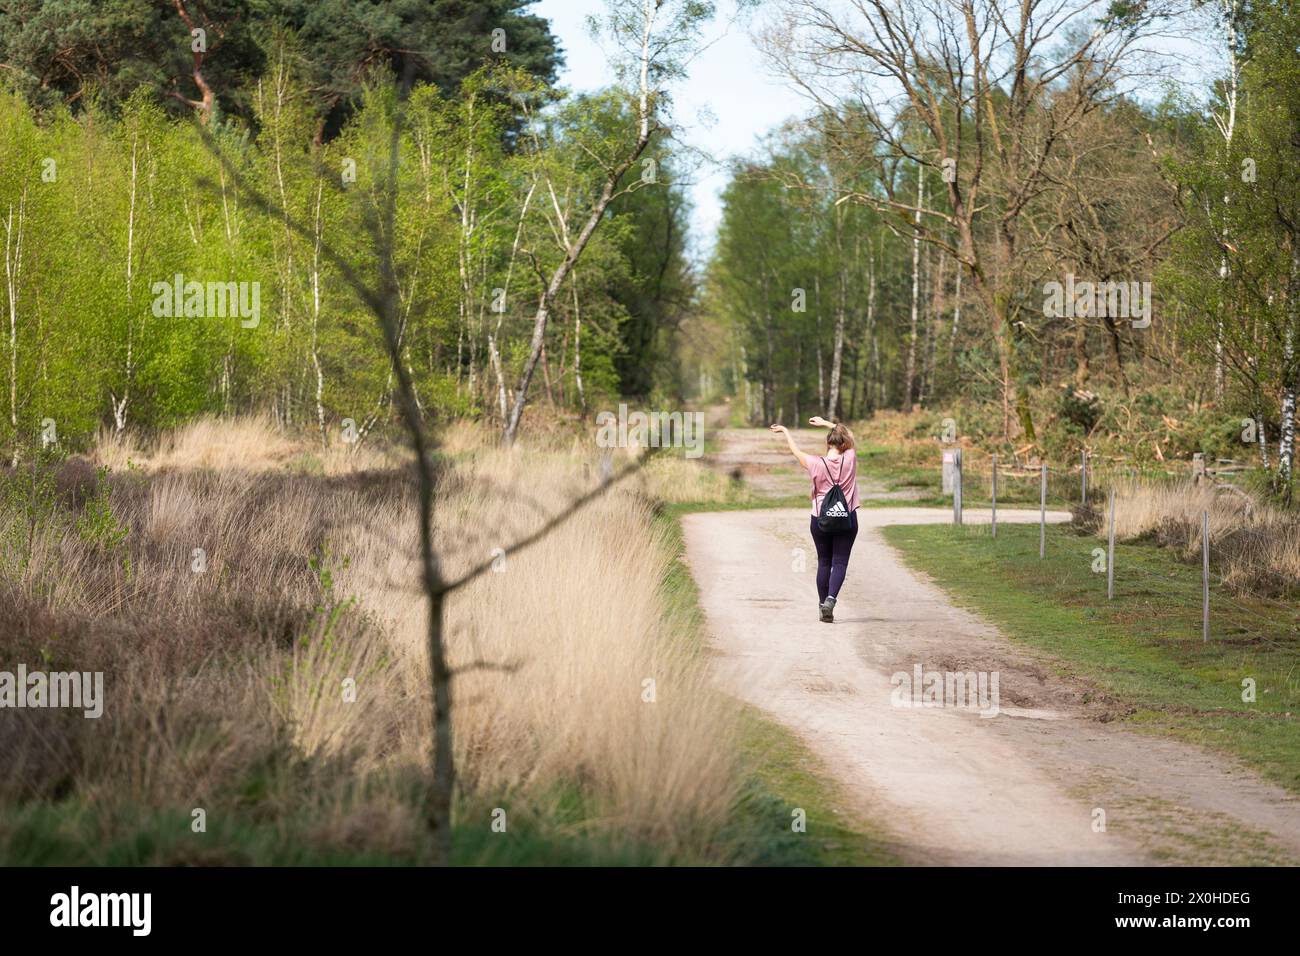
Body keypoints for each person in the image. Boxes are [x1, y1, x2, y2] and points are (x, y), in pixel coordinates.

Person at [769, 416, 860, 622]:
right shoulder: (851, 457)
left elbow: (796, 451)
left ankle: (822, 607)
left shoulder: (815, 463)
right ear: (844, 443)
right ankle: (831, 599)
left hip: (820, 518)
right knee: (840, 561)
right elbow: (849, 436)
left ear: (828, 444)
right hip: (847, 518)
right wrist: (828, 424)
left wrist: (785, 431)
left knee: (824, 562)